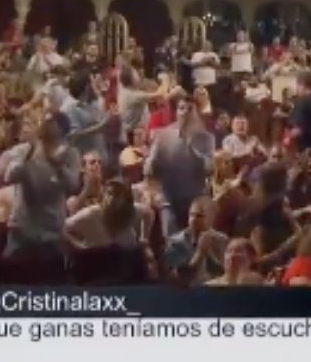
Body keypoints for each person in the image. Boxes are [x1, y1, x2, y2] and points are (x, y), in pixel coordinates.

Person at [5, 112, 82, 254]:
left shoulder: (71, 154)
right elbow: (9, 177)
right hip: (22, 230)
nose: (44, 125)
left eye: (50, 122)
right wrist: (29, 155)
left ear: (62, 129)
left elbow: (73, 185)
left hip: (52, 232)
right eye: (43, 121)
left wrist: (58, 166)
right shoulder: (24, 150)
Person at [145, 95, 214, 236]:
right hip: (169, 202)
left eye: (190, 109)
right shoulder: (163, 136)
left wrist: (194, 149)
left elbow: (209, 169)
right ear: (176, 112)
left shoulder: (206, 138)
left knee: (195, 241)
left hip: (195, 205)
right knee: (171, 242)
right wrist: (154, 192)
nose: (185, 112)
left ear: (196, 113)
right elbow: (149, 170)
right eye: (181, 108)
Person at [65, 178, 147, 249]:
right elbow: (63, 228)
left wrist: (143, 239)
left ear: (126, 198)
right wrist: (79, 247)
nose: (111, 198)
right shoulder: (92, 213)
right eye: (109, 193)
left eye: (117, 195)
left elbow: (148, 214)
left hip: (126, 259)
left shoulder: (132, 210)